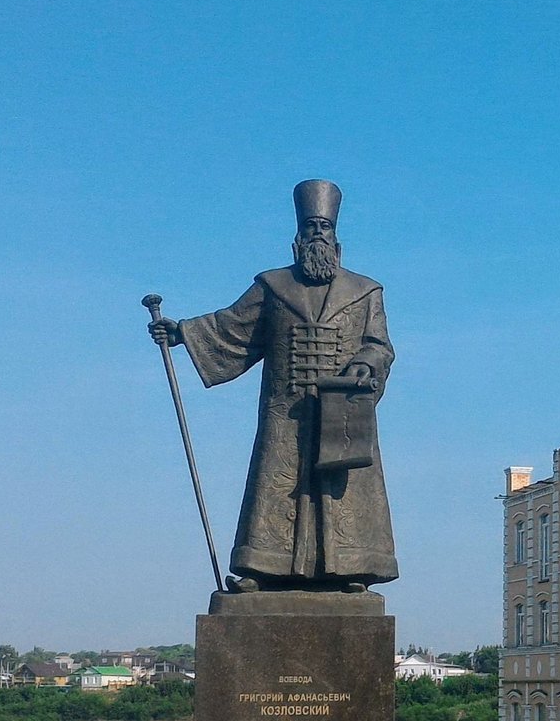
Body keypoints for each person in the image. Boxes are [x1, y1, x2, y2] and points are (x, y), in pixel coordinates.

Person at [148, 180, 398, 592]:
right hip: (286, 414)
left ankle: (354, 568)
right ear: (297, 238)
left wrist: (365, 366)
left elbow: (379, 346)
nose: (318, 233)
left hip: (342, 411)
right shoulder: (272, 287)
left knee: (345, 490)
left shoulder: (366, 291)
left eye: (325, 227)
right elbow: (233, 328)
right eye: (311, 227)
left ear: (337, 239)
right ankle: (262, 570)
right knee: (276, 486)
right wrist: (183, 333)